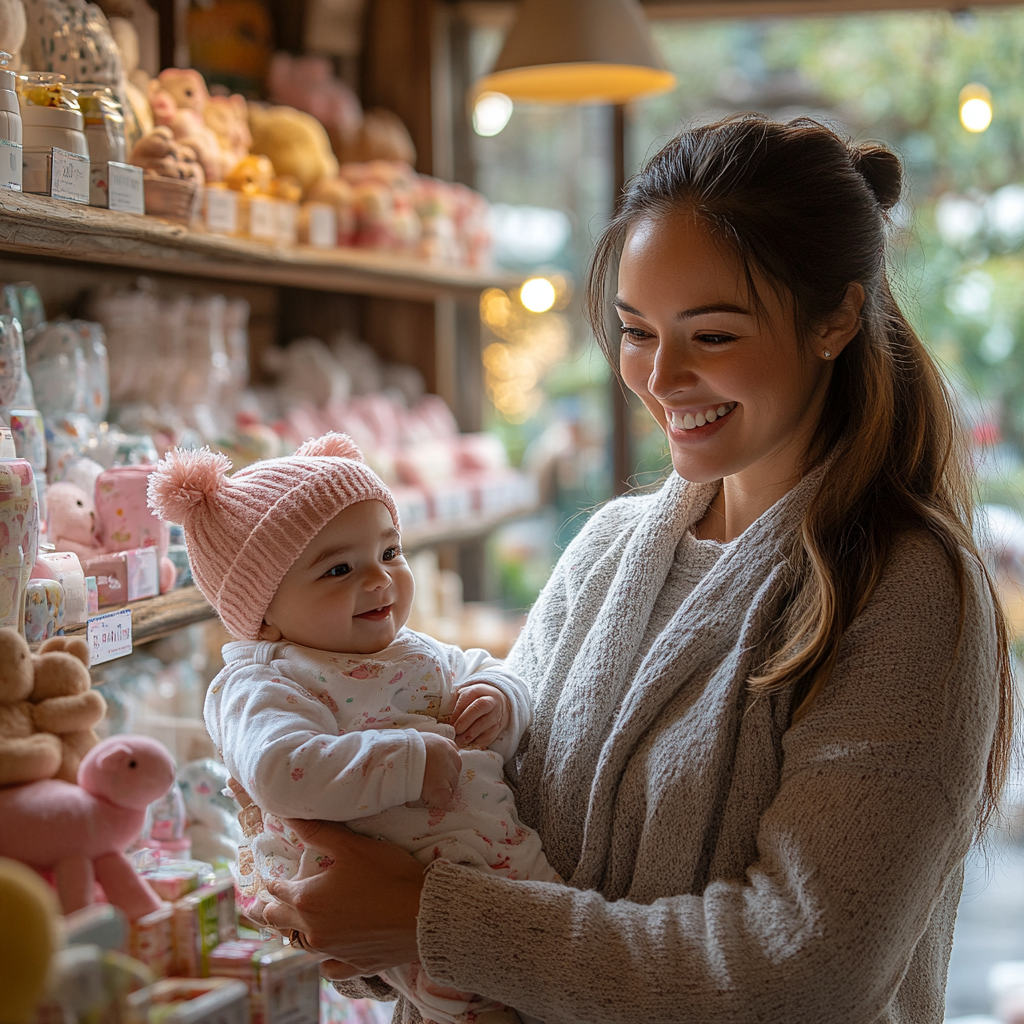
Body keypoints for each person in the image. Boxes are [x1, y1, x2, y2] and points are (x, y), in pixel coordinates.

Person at [244, 115, 1014, 1024]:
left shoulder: (907, 592)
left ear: (835, 320)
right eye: (637, 331)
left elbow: (802, 966)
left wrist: (426, 921)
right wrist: (355, 900)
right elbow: (485, 814)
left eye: (714, 335)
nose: (661, 377)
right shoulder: (609, 550)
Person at [147, 432, 557, 1024]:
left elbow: (489, 670)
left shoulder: (410, 648)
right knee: (471, 1003)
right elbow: (280, 769)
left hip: (498, 855)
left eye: (390, 552)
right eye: (339, 568)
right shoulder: (266, 682)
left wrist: (499, 697)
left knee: (563, 943)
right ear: (262, 611)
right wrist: (408, 761)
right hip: (381, 879)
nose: (379, 579)